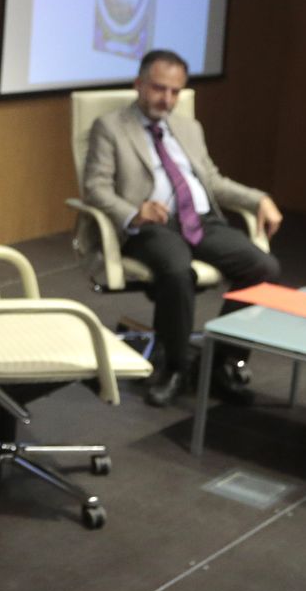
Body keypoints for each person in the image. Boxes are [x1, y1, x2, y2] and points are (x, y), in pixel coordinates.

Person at [82, 49, 283, 407]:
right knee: (176, 270)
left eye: (175, 92)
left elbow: (214, 181)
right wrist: (133, 212)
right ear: (139, 85)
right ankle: (174, 367)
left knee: (264, 269)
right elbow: (95, 188)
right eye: (159, 89)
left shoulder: (189, 128)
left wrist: (259, 199)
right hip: (150, 226)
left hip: (201, 219)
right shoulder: (111, 127)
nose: (168, 99)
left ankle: (219, 362)